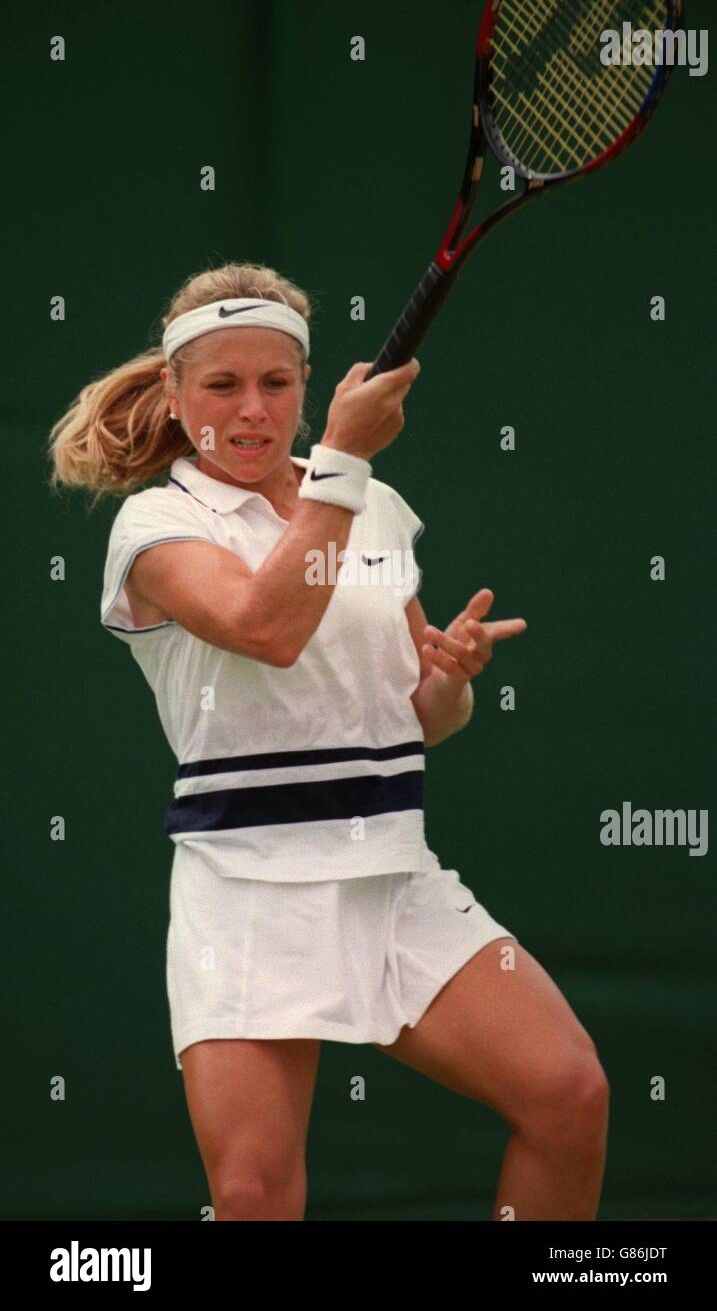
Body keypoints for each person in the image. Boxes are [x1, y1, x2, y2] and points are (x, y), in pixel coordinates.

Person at [48, 260, 609, 1221]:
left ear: (306, 389)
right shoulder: (155, 524)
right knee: (255, 1198)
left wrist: (447, 677)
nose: (252, 408)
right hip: (247, 895)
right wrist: (345, 467)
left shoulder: (370, 505)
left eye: (276, 382)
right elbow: (266, 630)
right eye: (221, 385)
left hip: (392, 878)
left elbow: (417, 718)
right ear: (178, 398)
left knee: (570, 1097)